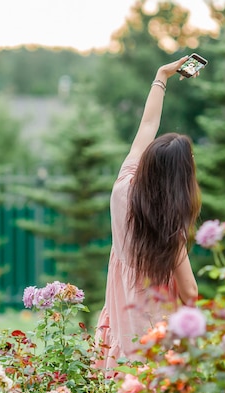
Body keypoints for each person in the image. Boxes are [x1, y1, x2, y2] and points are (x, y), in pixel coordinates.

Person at [95, 56, 202, 372]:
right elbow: (191, 292)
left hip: (120, 322)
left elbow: (146, 126)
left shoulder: (123, 185)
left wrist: (161, 77)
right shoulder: (169, 229)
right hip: (157, 336)